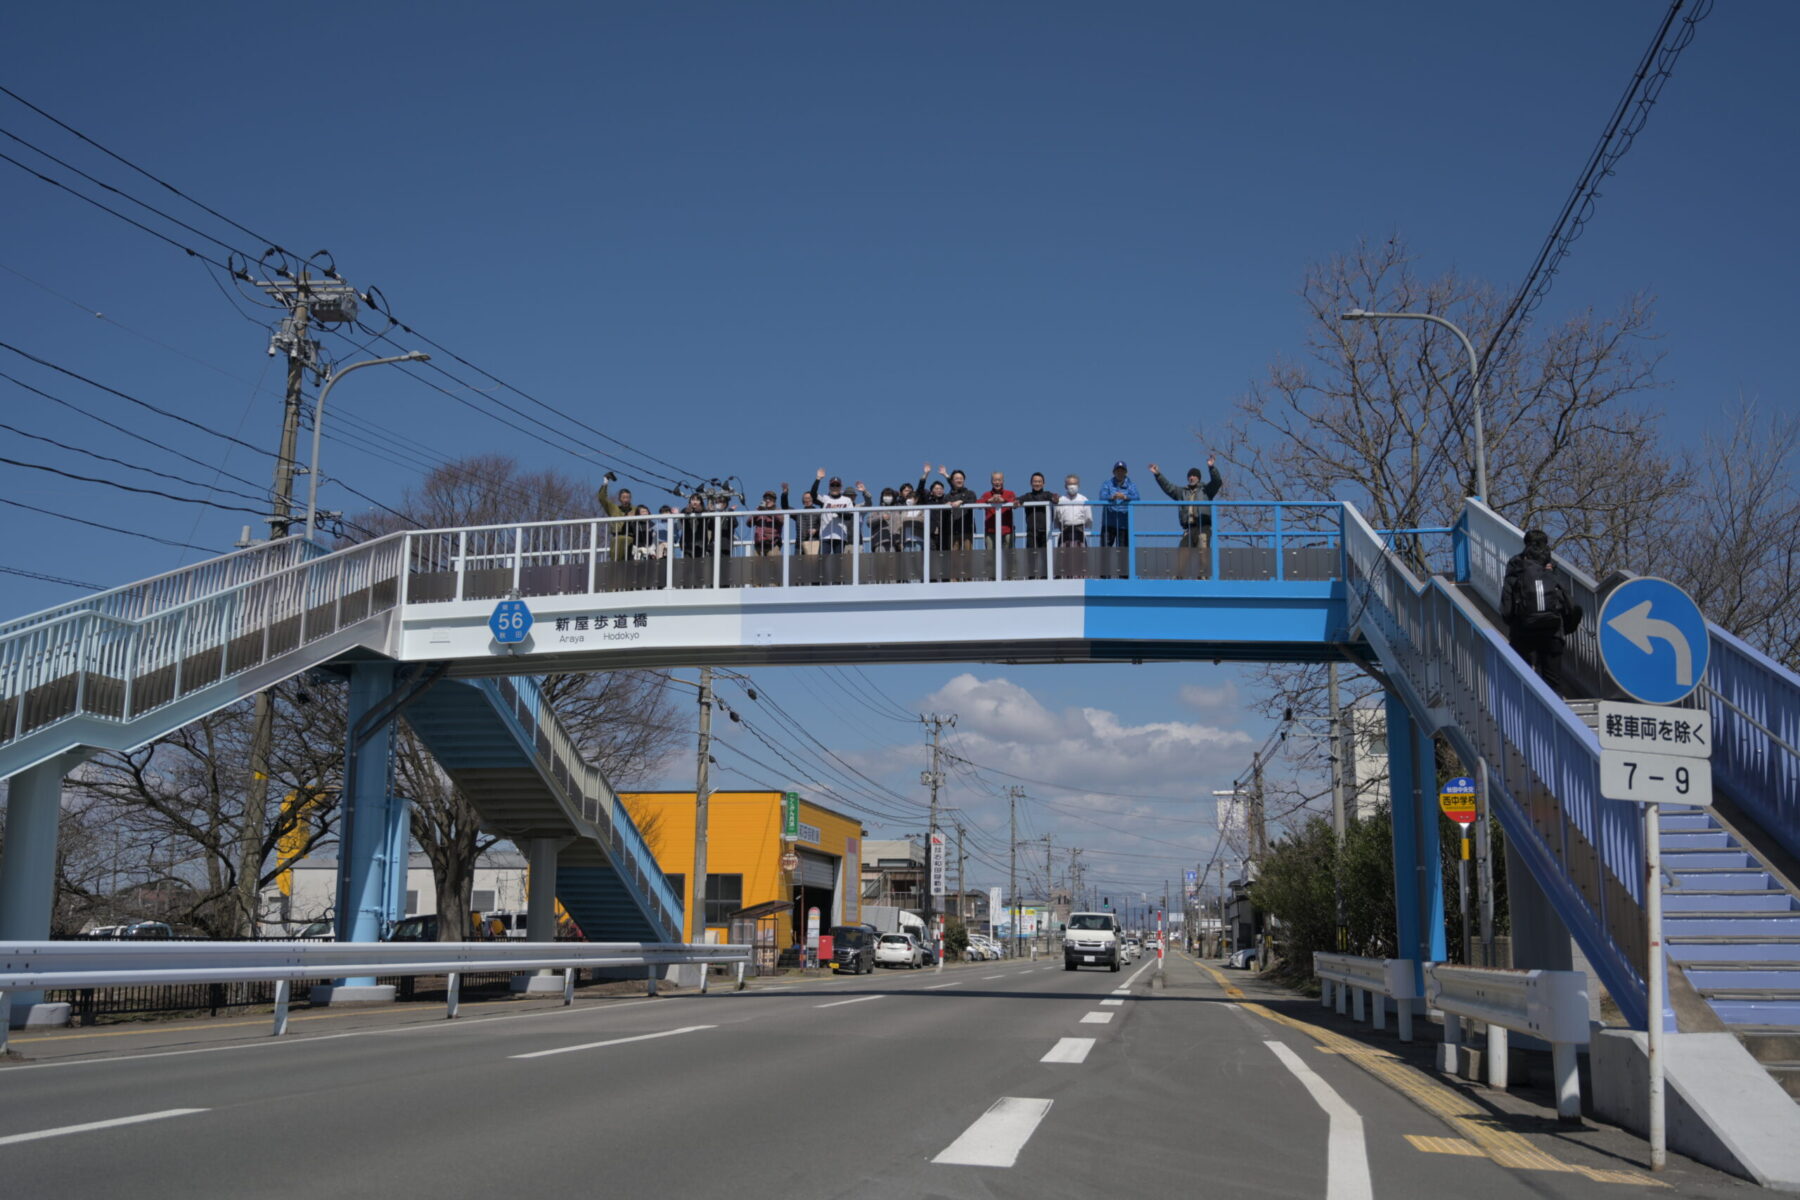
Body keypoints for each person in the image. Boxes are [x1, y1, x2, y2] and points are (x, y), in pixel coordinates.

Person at [1501, 528, 1579, 694]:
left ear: (1525, 544)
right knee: (1552, 683)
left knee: (1522, 679)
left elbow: (1507, 609)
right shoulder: (1550, 567)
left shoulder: (1516, 565)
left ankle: (1525, 715)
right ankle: (1556, 715)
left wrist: (1513, 621)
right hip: (1552, 632)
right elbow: (1568, 602)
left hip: (1522, 631)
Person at [1150, 457, 1224, 577]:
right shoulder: (1182, 492)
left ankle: (1203, 577)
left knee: (1203, 551)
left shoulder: (1206, 490)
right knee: (1182, 551)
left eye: (1194, 476)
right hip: (1189, 529)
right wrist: (1158, 475)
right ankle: (1177, 578)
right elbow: (1168, 487)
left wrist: (1211, 468)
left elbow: (1217, 482)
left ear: (1198, 478)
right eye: (1190, 476)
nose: (1191, 477)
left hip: (1203, 526)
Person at [595, 472, 637, 562]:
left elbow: (646, 516)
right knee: (616, 563)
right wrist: (605, 482)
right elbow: (602, 499)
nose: (626, 499)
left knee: (631, 563)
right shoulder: (614, 509)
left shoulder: (635, 509)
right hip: (617, 538)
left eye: (628, 497)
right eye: (624, 497)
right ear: (620, 499)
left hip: (632, 539)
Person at [1098, 460, 1139, 548]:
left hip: (1124, 524)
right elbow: (1102, 497)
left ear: (1126, 472)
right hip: (1108, 523)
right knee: (1105, 551)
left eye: (1122, 470)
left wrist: (1124, 497)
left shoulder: (1131, 485)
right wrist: (1112, 497)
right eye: (1117, 470)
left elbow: (1137, 498)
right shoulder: (1107, 484)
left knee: (1123, 552)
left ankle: (1124, 562)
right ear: (1114, 472)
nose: (1120, 472)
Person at [1017, 472, 1056, 551]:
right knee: (1031, 558)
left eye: (1039, 481)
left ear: (1043, 483)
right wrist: (1016, 502)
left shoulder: (1047, 495)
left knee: (1046, 559)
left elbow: (1055, 499)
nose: (1037, 484)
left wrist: (1055, 498)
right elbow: (1017, 501)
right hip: (1032, 533)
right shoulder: (1027, 496)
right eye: (1035, 481)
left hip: (1046, 532)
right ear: (1031, 483)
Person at [981, 471, 1018, 550]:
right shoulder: (986, 495)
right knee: (990, 559)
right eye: (995, 480)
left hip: (1007, 531)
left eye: (999, 480)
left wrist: (1003, 500)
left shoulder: (1010, 493)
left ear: (1003, 481)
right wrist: (989, 500)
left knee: (1009, 557)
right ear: (991, 481)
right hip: (990, 531)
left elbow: (1016, 502)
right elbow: (977, 503)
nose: (997, 482)